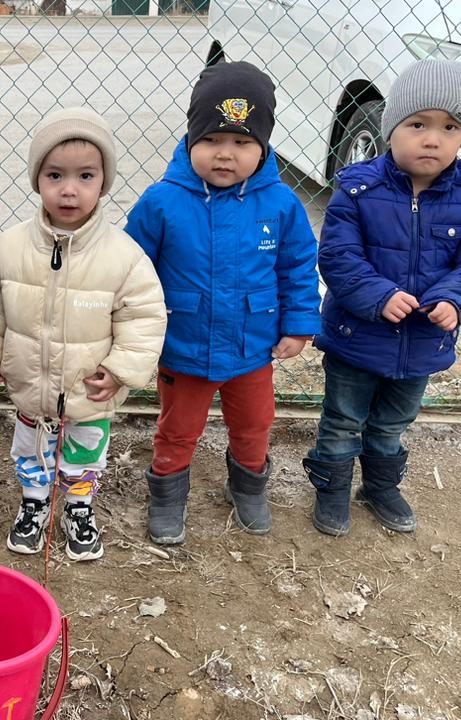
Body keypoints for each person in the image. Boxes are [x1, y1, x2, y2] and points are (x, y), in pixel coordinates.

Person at [304, 59, 461, 536]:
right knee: (343, 419)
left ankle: (380, 486)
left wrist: (453, 300)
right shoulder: (358, 190)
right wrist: (379, 295)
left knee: (393, 423)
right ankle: (332, 488)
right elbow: (338, 256)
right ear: (391, 127)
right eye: (418, 124)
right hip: (356, 337)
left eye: (449, 127)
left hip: (421, 344)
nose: (433, 139)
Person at [126, 61, 321, 544]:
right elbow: (129, 271)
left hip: (253, 347)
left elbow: (297, 266)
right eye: (211, 139)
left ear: (263, 148)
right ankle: (168, 493)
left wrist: (298, 325)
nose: (225, 154)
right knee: (178, 428)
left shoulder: (281, 204)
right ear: (191, 139)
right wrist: (131, 329)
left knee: (254, 424)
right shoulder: (161, 202)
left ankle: (248, 486)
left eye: (241, 142)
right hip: (184, 346)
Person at [0, 108, 165, 561]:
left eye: (85, 176)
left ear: (103, 181)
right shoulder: (10, 247)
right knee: (31, 449)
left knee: (84, 453)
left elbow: (144, 317)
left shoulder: (124, 256)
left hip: (88, 386)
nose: (69, 189)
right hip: (31, 384)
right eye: (55, 175)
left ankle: (78, 506)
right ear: (37, 179)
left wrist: (120, 370)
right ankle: (35, 502)